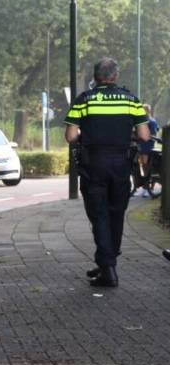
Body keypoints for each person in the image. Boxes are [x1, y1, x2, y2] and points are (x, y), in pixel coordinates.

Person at [64, 58, 150, 288]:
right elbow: (144, 136)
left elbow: (71, 136)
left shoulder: (84, 99)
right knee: (116, 212)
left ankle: (108, 270)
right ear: (115, 76)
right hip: (121, 164)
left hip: (93, 164)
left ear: (95, 76)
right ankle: (107, 263)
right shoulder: (131, 99)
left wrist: (89, 134)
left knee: (99, 214)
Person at [131, 104, 160, 197]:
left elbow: (153, 133)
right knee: (143, 166)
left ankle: (149, 188)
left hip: (147, 147)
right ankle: (145, 186)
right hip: (142, 146)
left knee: (147, 167)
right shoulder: (144, 121)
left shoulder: (151, 121)